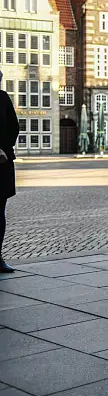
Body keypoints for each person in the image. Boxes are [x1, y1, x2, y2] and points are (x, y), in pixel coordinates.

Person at [0, 70, 18, 273]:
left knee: (0, 212)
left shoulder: (3, 98)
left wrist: (4, 149)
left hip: (2, 162)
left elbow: (14, 128)